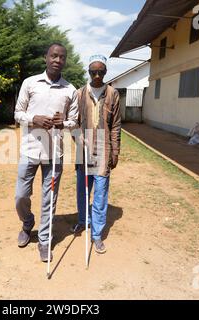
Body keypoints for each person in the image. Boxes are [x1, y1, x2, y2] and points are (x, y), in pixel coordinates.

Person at [14, 43, 78, 262]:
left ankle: (44, 240)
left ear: (65, 61)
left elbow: (74, 122)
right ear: (46, 58)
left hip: (55, 155)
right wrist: (34, 119)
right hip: (29, 150)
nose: (57, 60)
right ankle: (27, 223)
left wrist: (64, 123)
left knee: (49, 199)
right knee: (21, 196)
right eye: (54, 56)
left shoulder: (70, 89)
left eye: (62, 57)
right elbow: (17, 113)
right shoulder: (30, 83)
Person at [71, 54, 121, 254]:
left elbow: (116, 125)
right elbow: (73, 121)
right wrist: (77, 137)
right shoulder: (79, 93)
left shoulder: (113, 94)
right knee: (83, 190)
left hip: (103, 149)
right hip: (83, 150)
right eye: (94, 72)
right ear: (89, 72)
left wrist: (115, 152)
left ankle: (97, 235)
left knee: (100, 193)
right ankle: (83, 221)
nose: (97, 75)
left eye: (101, 71)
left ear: (106, 72)